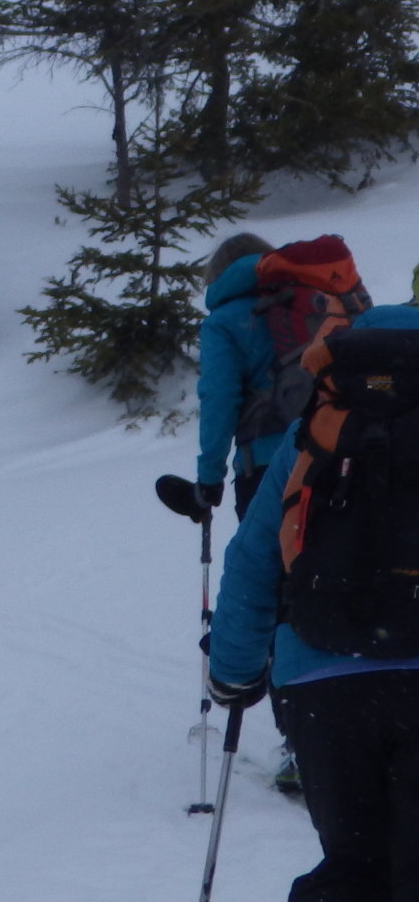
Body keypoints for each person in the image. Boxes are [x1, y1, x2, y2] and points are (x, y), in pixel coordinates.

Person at [208, 293, 419, 899]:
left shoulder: (317, 431)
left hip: (323, 682)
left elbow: (254, 559)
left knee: (355, 864)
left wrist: (233, 672)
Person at [196, 231, 279, 518]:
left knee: (265, 547)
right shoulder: (312, 303)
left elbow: (219, 398)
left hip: (267, 464)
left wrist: (209, 477)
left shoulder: (223, 322)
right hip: (336, 455)